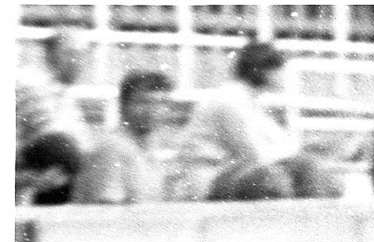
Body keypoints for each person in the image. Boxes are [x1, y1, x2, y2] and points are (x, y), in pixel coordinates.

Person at [173, 37, 300, 200]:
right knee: (268, 177)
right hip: (206, 179)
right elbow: (252, 155)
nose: (283, 75)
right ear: (262, 70)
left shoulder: (251, 101)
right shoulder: (229, 100)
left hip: (227, 174)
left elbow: (285, 146)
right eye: (278, 69)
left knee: (305, 166)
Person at [72, 70, 178, 205]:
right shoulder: (112, 148)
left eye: (162, 102)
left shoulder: (149, 153)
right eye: (144, 102)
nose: (153, 109)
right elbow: (108, 212)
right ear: (123, 106)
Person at [16, 29, 92, 151]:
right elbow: (52, 140)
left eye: (81, 55)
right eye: (70, 54)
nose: (77, 62)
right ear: (49, 54)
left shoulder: (62, 92)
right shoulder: (32, 84)